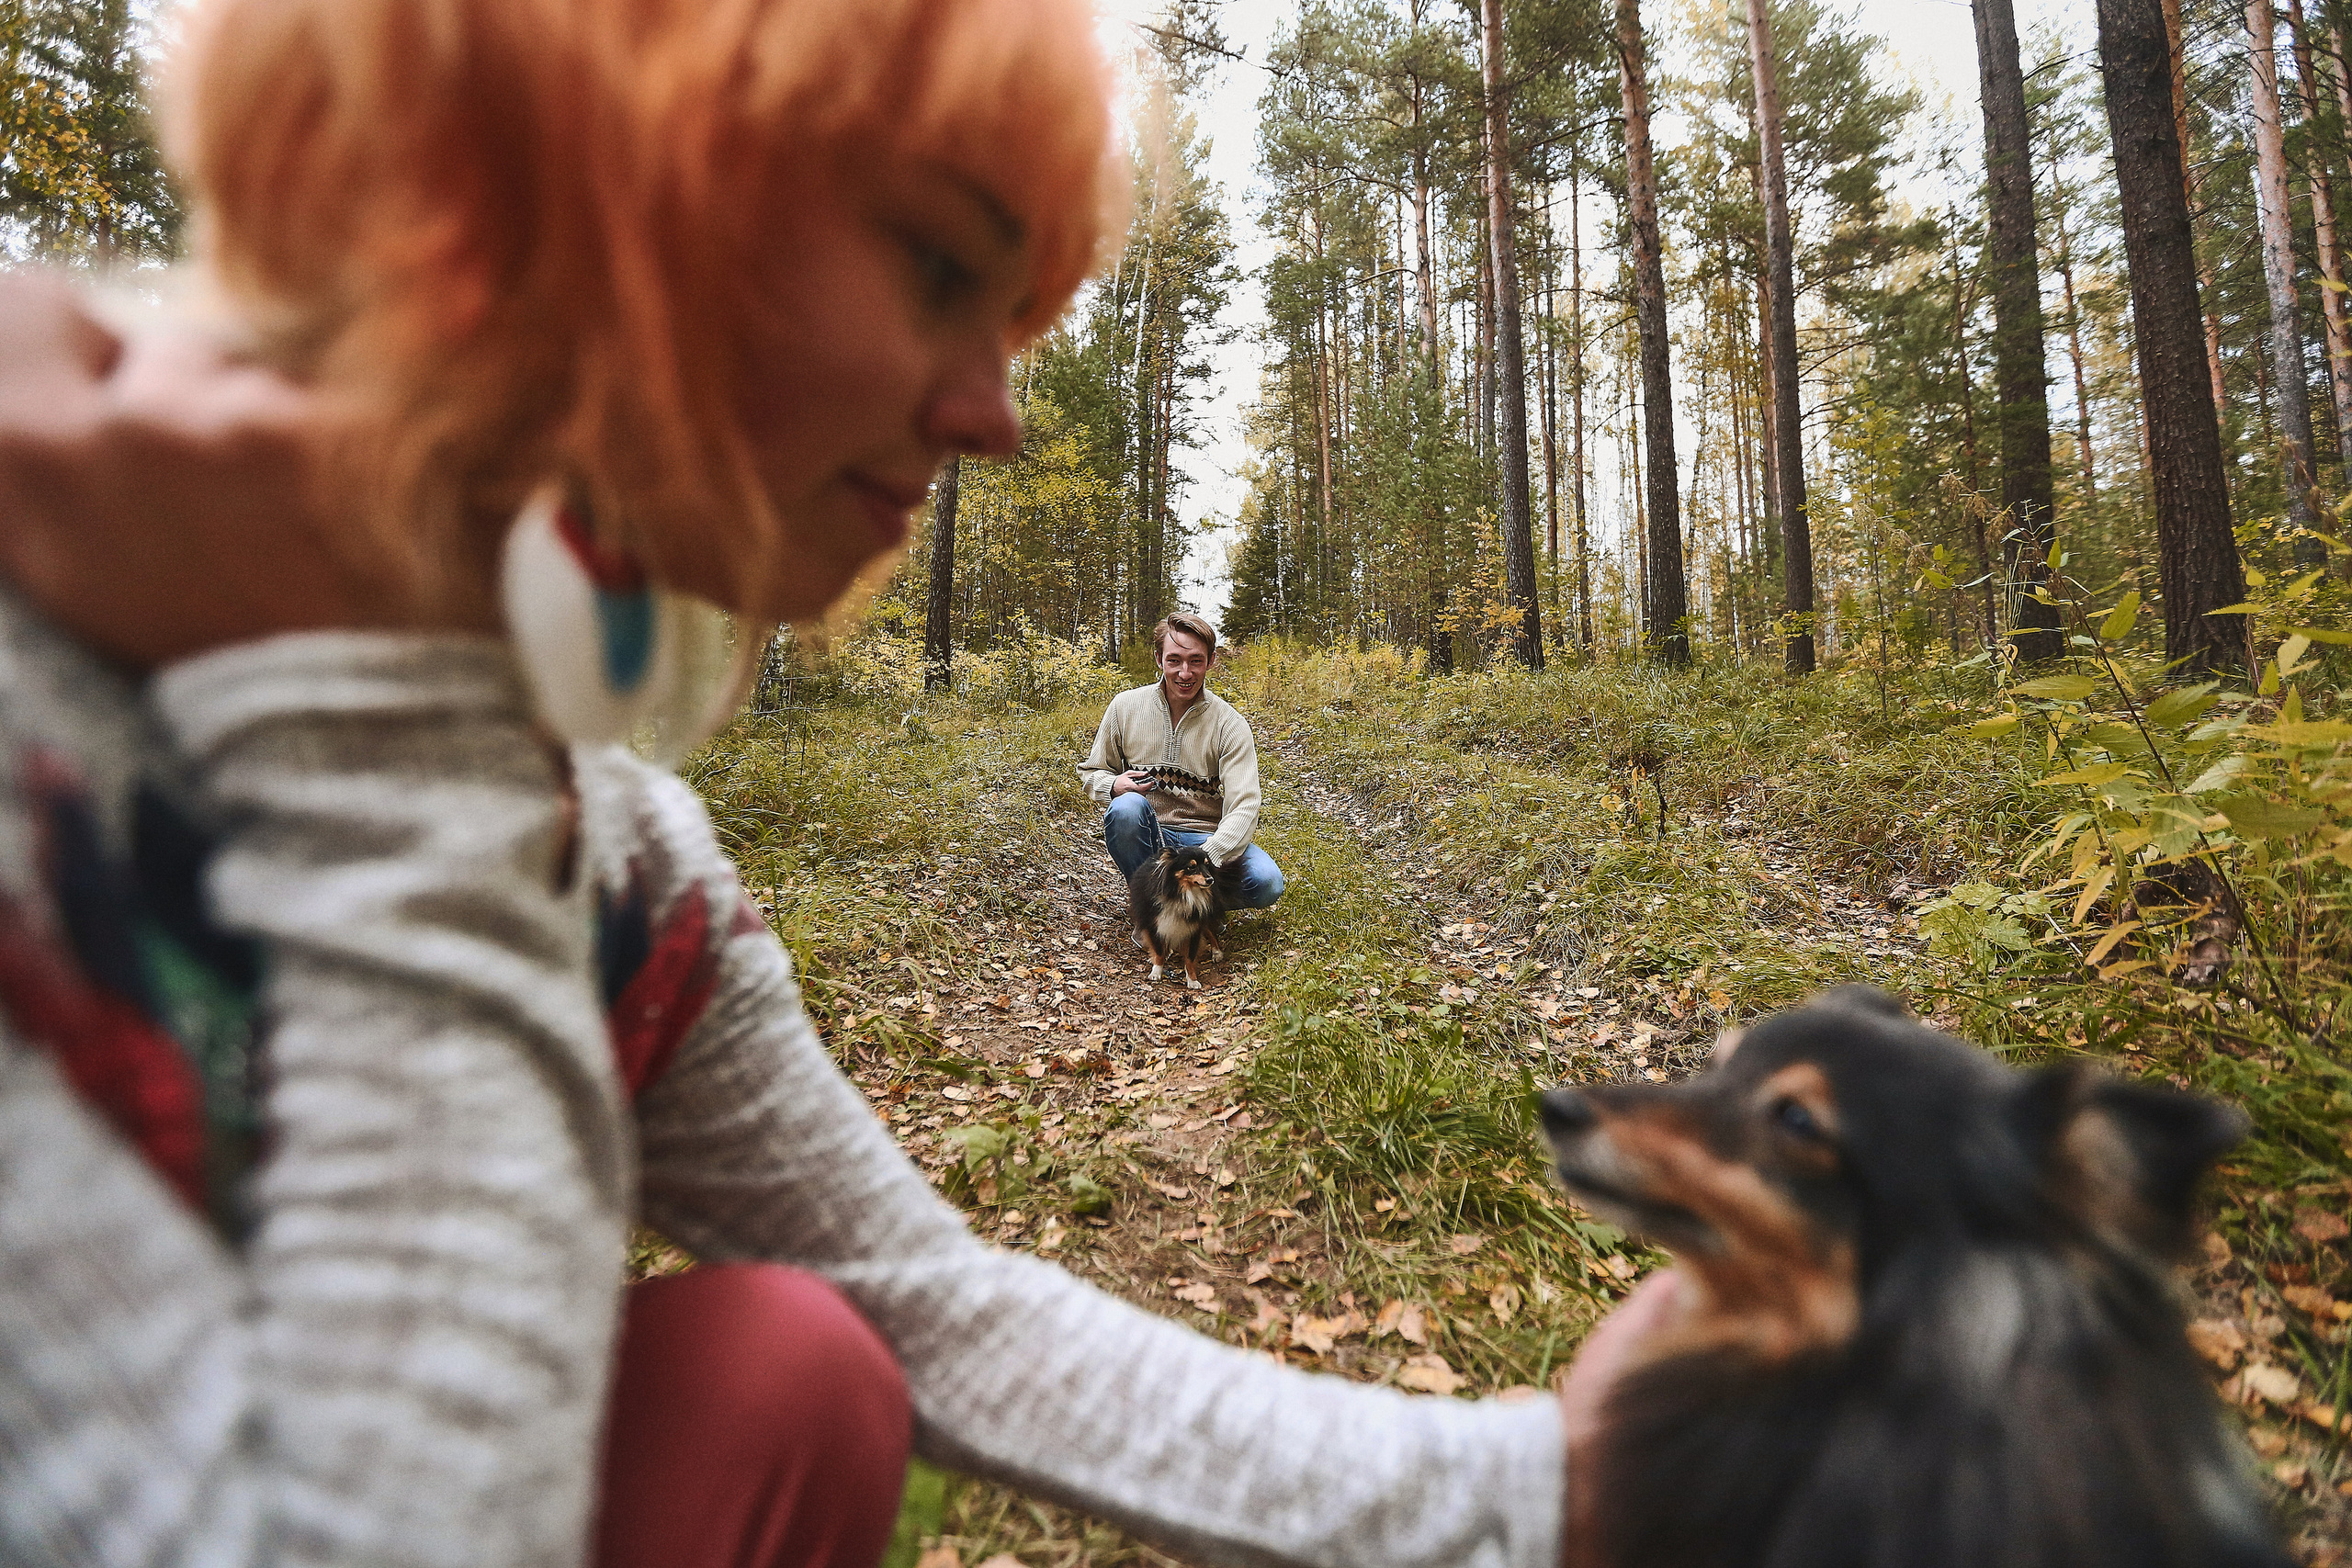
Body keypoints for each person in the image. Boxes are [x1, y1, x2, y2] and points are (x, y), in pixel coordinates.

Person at [0, 1, 1678, 1563]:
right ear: (585, 176)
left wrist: (1548, 1489)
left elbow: (937, 1304)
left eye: (1016, 322)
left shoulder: (627, 857)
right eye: (941, 262)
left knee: (792, 1366)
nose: (998, 414)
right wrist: (388, 716)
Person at [1080, 612, 1283, 909]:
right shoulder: (1125, 707)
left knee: (1266, 882)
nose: (1185, 673)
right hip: (1149, 835)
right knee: (1125, 809)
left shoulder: (1229, 724)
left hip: (1205, 838)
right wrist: (1112, 785)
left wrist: (1206, 858)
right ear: (1159, 659)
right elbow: (1091, 772)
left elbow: (1245, 805)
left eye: (1195, 661)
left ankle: (1192, 908)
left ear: (1211, 661)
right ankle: (1152, 907)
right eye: (1174, 660)